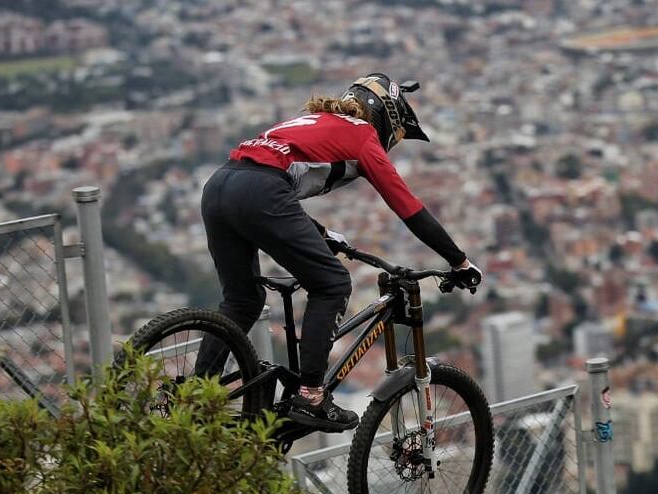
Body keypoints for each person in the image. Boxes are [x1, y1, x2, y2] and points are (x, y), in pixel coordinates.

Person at [193, 73, 482, 431]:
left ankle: (193, 395)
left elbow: (268, 175)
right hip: (261, 192)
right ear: (385, 117)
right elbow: (409, 208)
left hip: (218, 185)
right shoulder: (363, 136)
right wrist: (459, 261)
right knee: (332, 284)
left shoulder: (318, 120)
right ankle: (311, 396)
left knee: (241, 302)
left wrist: (322, 234)